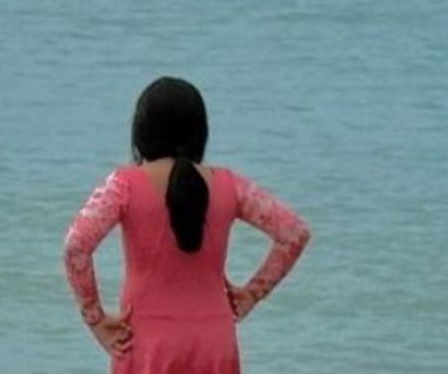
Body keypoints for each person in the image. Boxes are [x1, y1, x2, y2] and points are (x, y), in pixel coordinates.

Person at [63, 77, 311, 371]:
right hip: (215, 342)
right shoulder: (230, 185)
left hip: (146, 342)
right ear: (200, 133)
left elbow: (76, 246)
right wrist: (252, 293)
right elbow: (294, 233)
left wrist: (96, 319)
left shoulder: (123, 185)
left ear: (140, 133)